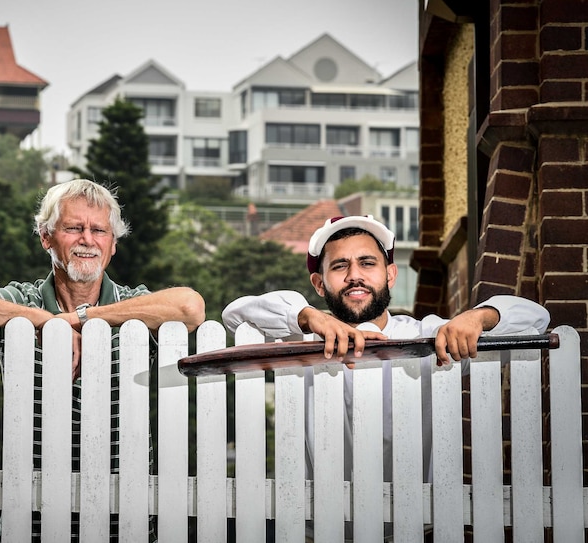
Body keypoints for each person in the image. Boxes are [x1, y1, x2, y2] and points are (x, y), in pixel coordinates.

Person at [0, 178, 206, 542]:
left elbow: (191, 307)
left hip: (124, 524)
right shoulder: (22, 301)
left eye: (99, 230)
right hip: (28, 523)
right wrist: (43, 321)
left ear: (113, 245)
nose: (87, 239)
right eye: (73, 228)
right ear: (46, 237)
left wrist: (80, 319)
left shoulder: (133, 306)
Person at [221, 215, 550, 519]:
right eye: (340, 266)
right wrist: (307, 316)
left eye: (367, 263)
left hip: (423, 524)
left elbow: (537, 321)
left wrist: (480, 317)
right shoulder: (300, 339)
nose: (355, 275)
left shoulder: (427, 335)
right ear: (320, 285)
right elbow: (235, 315)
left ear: (390, 274)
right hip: (319, 525)